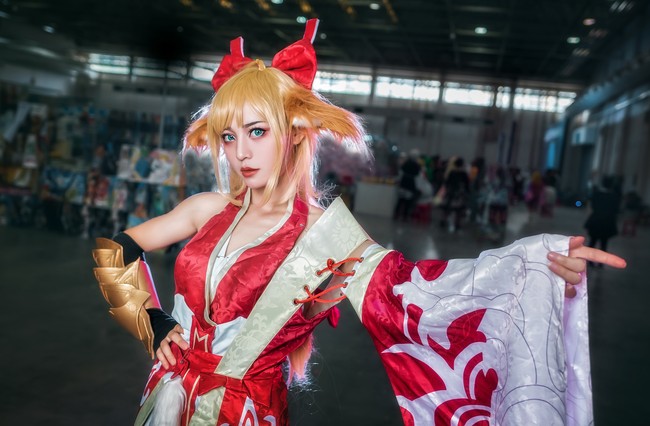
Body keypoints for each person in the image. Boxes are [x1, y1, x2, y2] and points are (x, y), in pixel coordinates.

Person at [91, 20, 626, 425]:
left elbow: (420, 295)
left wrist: (534, 267)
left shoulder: (327, 236)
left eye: (257, 131)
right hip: (167, 398)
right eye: (229, 137)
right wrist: (152, 321)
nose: (241, 153)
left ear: (294, 133)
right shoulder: (207, 208)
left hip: (247, 413)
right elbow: (115, 249)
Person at [584, 175, 621, 265]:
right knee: (604, 243)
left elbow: (593, 206)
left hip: (596, 220)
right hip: (607, 222)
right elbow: (616, 210)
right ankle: (601, 263)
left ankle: (589, 261)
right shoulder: (614, 196)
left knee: (592, 242)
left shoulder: (597, 194)